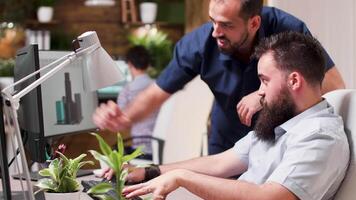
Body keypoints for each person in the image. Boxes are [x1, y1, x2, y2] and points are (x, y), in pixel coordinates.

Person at [93, 0, 345, 155]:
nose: (216, 32)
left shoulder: (287, 29)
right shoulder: (199, 44)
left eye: (226, 25)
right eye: (212, 20)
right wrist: (125, 117)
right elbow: (157, 92)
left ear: (254, 23)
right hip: (227, 140)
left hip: (281, 139)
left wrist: (264, 95)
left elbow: (335, 85)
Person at [120, 32, 350, 200]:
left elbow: (269, 197)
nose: (259, 91)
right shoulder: (281, 121)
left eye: (264, 80)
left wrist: (183, 178)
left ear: (294, 81)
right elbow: (219, 163)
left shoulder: (319, 136)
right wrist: (151, 172)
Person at [117, 46, 158, 158]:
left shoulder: (127, 90)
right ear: (148, 64)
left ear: (129, 64)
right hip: (162, 146)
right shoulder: (160, 87)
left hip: (140, 149)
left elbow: (121, 123)